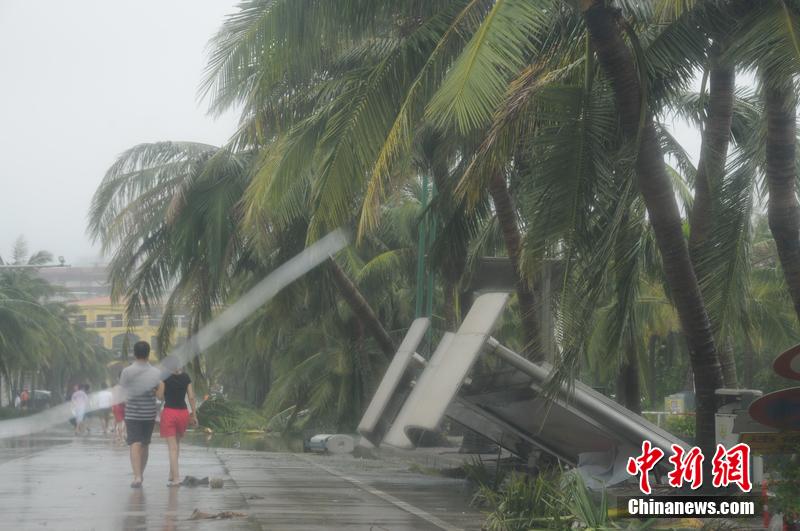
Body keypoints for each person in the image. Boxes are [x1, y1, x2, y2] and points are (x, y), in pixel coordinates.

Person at [119, 341, 160, 488]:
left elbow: (122, 392)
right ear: (148, 354)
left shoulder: (127, 372)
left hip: (132, 413)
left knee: (134, 444)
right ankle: (141, 474)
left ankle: (137, 476)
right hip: (149, 414)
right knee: (145, 444)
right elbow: (160, 394)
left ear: (135, 354)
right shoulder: (156, 373)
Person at [156, 368, 197, 487]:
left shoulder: (165, 377)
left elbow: (160, 396)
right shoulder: (186, 377)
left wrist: (157, 389)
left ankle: (176, 478)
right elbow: (191, 397)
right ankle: (171, 473)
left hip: (169, 413)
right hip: (183, 414)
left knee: (172, 448)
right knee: (177, 445)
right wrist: (194, 414)